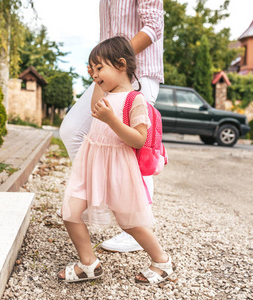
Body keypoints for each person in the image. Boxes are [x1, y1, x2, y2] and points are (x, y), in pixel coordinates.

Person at [57, 36, 175, 284]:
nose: (95, 74)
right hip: (90, 165)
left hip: (118, 168)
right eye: (93, 69)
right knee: (70, 211)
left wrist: (112, 120)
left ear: (121, 64)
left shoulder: (136, 100)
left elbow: (138, 139)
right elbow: (94, 109)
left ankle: (162, 261)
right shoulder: (106, 96)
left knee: (129, 222)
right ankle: (88, 263)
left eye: (99, 68)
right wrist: (97, 81)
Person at [59, 0, 164, 252]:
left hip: (137, 72)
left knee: (135, 152)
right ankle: (98, 196)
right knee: (72, 129)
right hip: (108, 70)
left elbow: (153, 27)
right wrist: (99, 70)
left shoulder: (132, 92)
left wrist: (111, 62)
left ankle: (135, 224)